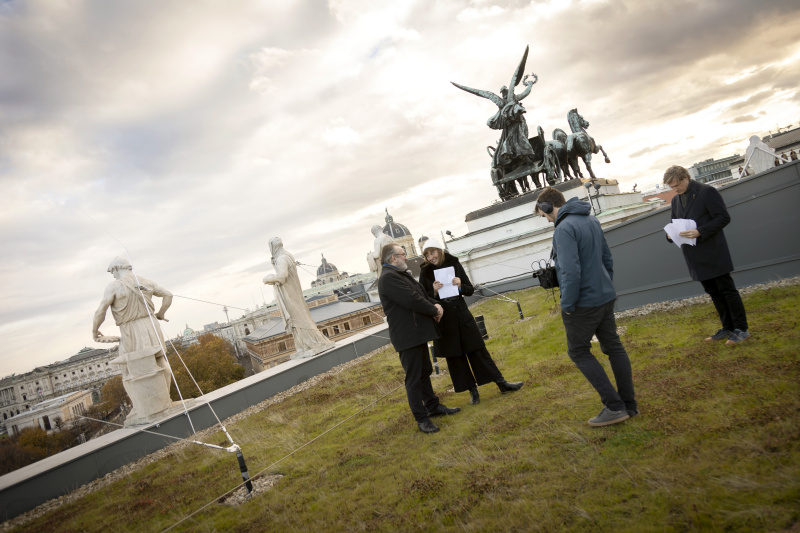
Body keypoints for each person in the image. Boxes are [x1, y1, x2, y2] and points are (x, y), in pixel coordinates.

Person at [535, 187, 637, 427]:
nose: (546, 219)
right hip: (604, 296)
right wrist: (604, 285)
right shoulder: (590, 220)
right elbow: (607, 259)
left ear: (549, 207)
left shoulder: (564, 228)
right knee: (614, 347)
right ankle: (629, 405)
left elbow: (570, 272)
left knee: (578, 352)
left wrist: (567, 305)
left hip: (583, 303)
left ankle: (614, 407)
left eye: (544, 215)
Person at [418, 238, 523, 405]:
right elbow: (423, 298)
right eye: (427, 254)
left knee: (478, 350)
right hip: (445, 320)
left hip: (461, 314)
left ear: (440, 250)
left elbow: (469, 289)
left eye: (433, 252)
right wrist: (435, 292)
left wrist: (460, 285)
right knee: (456, 357)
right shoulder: (425, 272)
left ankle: (501, 383)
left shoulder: (454, 263)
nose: (430, 257)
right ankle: (472, 391)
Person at [377, 243, 460, 433]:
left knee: (424, 371)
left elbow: (420, 293)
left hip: (415, 333)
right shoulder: (388, 278)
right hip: (407, 336)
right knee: (414, 378)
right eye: (403, 254)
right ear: (392, 258)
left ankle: (433, 407)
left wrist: (437, 305)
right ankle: (422, 418)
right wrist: (434, 310)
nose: (406, 257)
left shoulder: (398, 275)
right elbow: (411, 300)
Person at [663, 165, 750, 345]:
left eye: (677, 185)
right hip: (694, 255)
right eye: (671, 187)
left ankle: (741, 329)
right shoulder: (675, 201)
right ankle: (727, 327)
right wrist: (670, 234)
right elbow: (675, 223)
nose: (675, 189)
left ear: (686, 177)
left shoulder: (707, 192)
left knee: (727, 291)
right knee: (713, 292)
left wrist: (700, 231)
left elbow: (723, 217)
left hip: (713, 251)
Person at [92, 256, 174, 423]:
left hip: (129, 329)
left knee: (128, 370)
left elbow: (101, 310)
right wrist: (160, 314)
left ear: (116, 269)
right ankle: (166, 400)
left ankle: (139, 407)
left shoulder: (114, 286)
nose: (113, 276)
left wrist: (95, 330)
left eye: (112, 272)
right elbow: (168, 295)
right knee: (161, 361)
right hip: (150, 325)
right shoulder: (145, 281)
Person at [264, 237, 335, 358]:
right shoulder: (287, 255)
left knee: (297, 318)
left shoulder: (281, 258)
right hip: (293, 291)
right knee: (298, 317)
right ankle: (303, 345)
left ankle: (312, 343)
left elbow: (281, 276)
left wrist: (268, 279)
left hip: (289, 293)